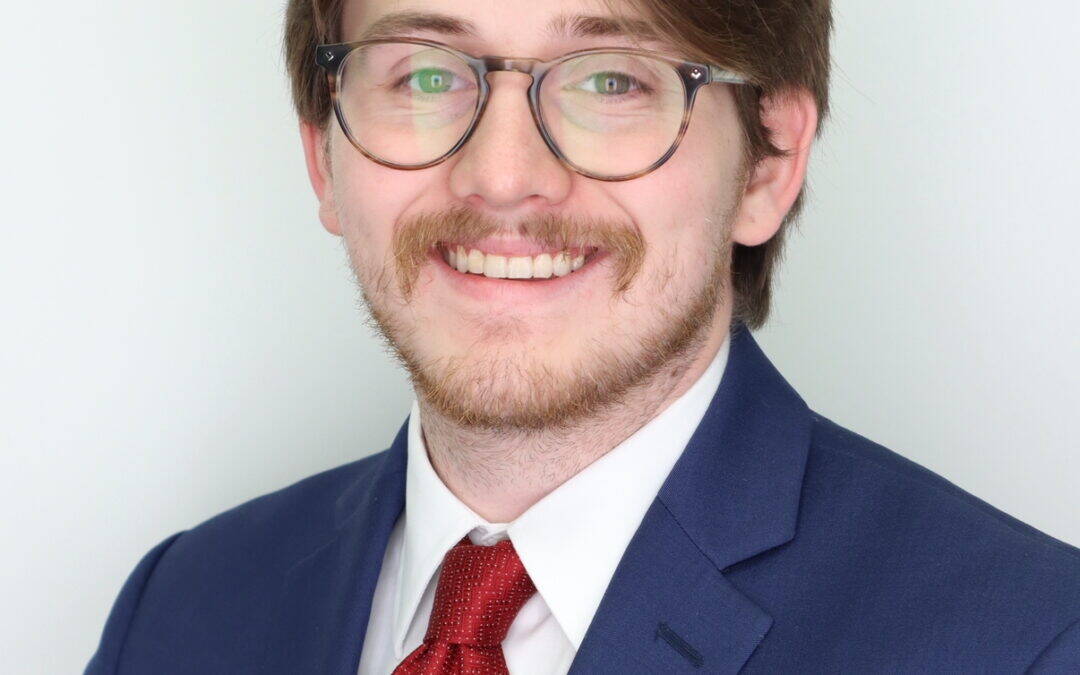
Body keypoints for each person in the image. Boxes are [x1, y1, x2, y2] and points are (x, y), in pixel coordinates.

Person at [87, 0, 1080, 672]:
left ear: (769, 162)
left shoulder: (1027, 641)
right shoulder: (179, 610)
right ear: (322, 153)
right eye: (425, 76)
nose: (502, 176)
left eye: (610, 81)